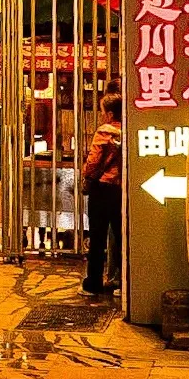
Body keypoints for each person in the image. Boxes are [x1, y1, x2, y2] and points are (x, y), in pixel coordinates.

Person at [81, 93, 122, 296]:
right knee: (122, 237)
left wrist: (87, 175)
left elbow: (94, 161)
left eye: (103, 111)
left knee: (97, 237)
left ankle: (93, 283)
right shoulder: (129, 131)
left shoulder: (105, 132)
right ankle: (124, 282)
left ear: (110, 113)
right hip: (122, 189)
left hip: (103, 188)